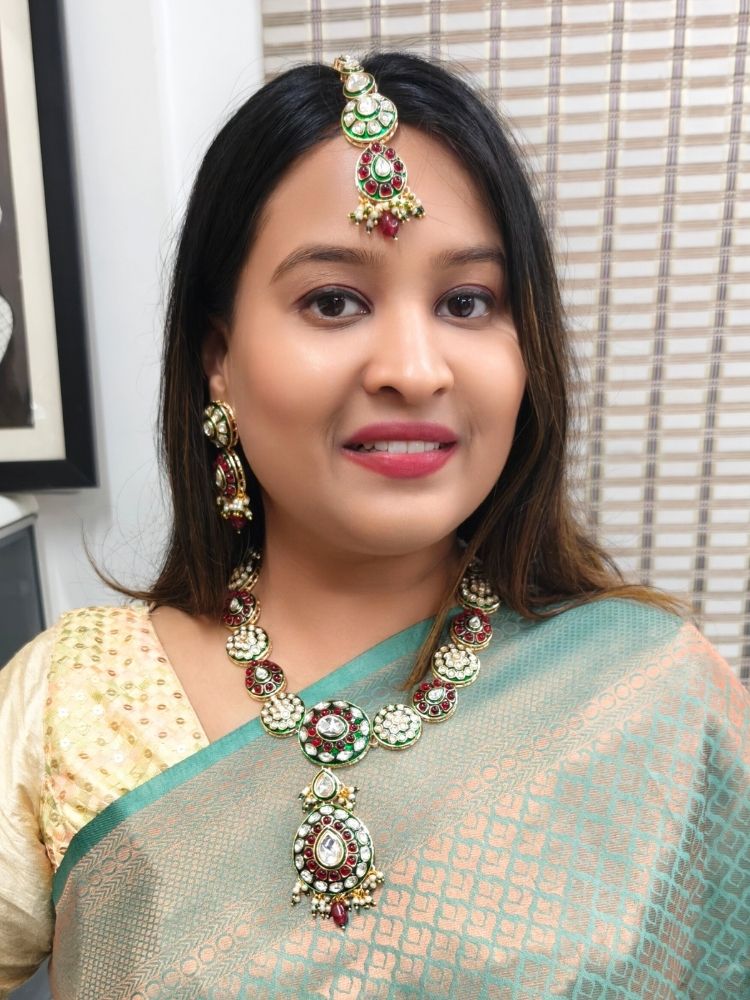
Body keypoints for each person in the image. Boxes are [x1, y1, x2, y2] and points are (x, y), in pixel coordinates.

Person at [1, 51, 748, 999]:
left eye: (466, 302)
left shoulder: (648, 696)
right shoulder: (75, 705)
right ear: (219, 359)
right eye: (335, 300)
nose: (413, 368)